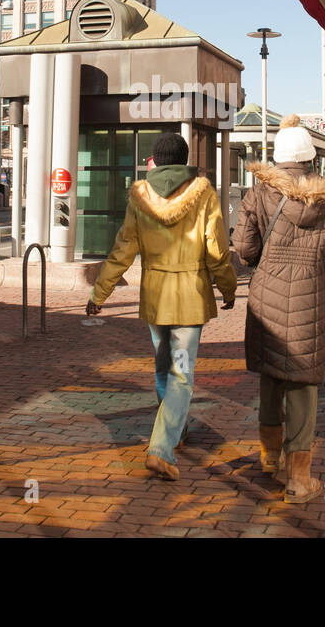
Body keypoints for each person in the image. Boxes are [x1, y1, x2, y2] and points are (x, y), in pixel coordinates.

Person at [232, 114, 325, 503]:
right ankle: (298, 478)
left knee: (272, 375)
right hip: (309, 295)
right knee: (303, 385)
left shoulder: (257, 195)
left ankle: (268, 456)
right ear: (311, 159)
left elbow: (244, 250)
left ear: (276, 158)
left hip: (266, 295)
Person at [87, 132, 237, 481]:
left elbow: (122, 250)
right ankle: (161, 448)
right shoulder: (203, 196)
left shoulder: (140, 197)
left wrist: (99, 294)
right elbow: (216, 250)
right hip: (189, 299)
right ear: (184, 161)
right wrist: (227, 288)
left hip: (156, 299)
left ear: (155, 159)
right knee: (181, 374)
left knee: (162, 366)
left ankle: (174, 430)